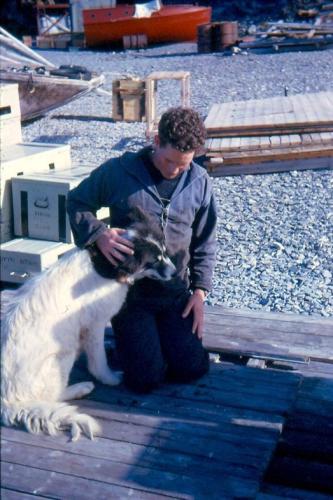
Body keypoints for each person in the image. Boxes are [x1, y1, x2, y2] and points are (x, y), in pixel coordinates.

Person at [67, 107, 217, 393]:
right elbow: (76, 202)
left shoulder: (199, 181)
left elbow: (205, 240)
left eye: (183, 165)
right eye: (170, 161)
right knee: (145, 380)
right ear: (156, 141)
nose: (174, 170)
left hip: (175, 292)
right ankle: (133, 345)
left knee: (191, 369)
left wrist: (199, 292)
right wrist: (99, 234)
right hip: (130, 296)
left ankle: (154, 342)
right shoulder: (117, 172)